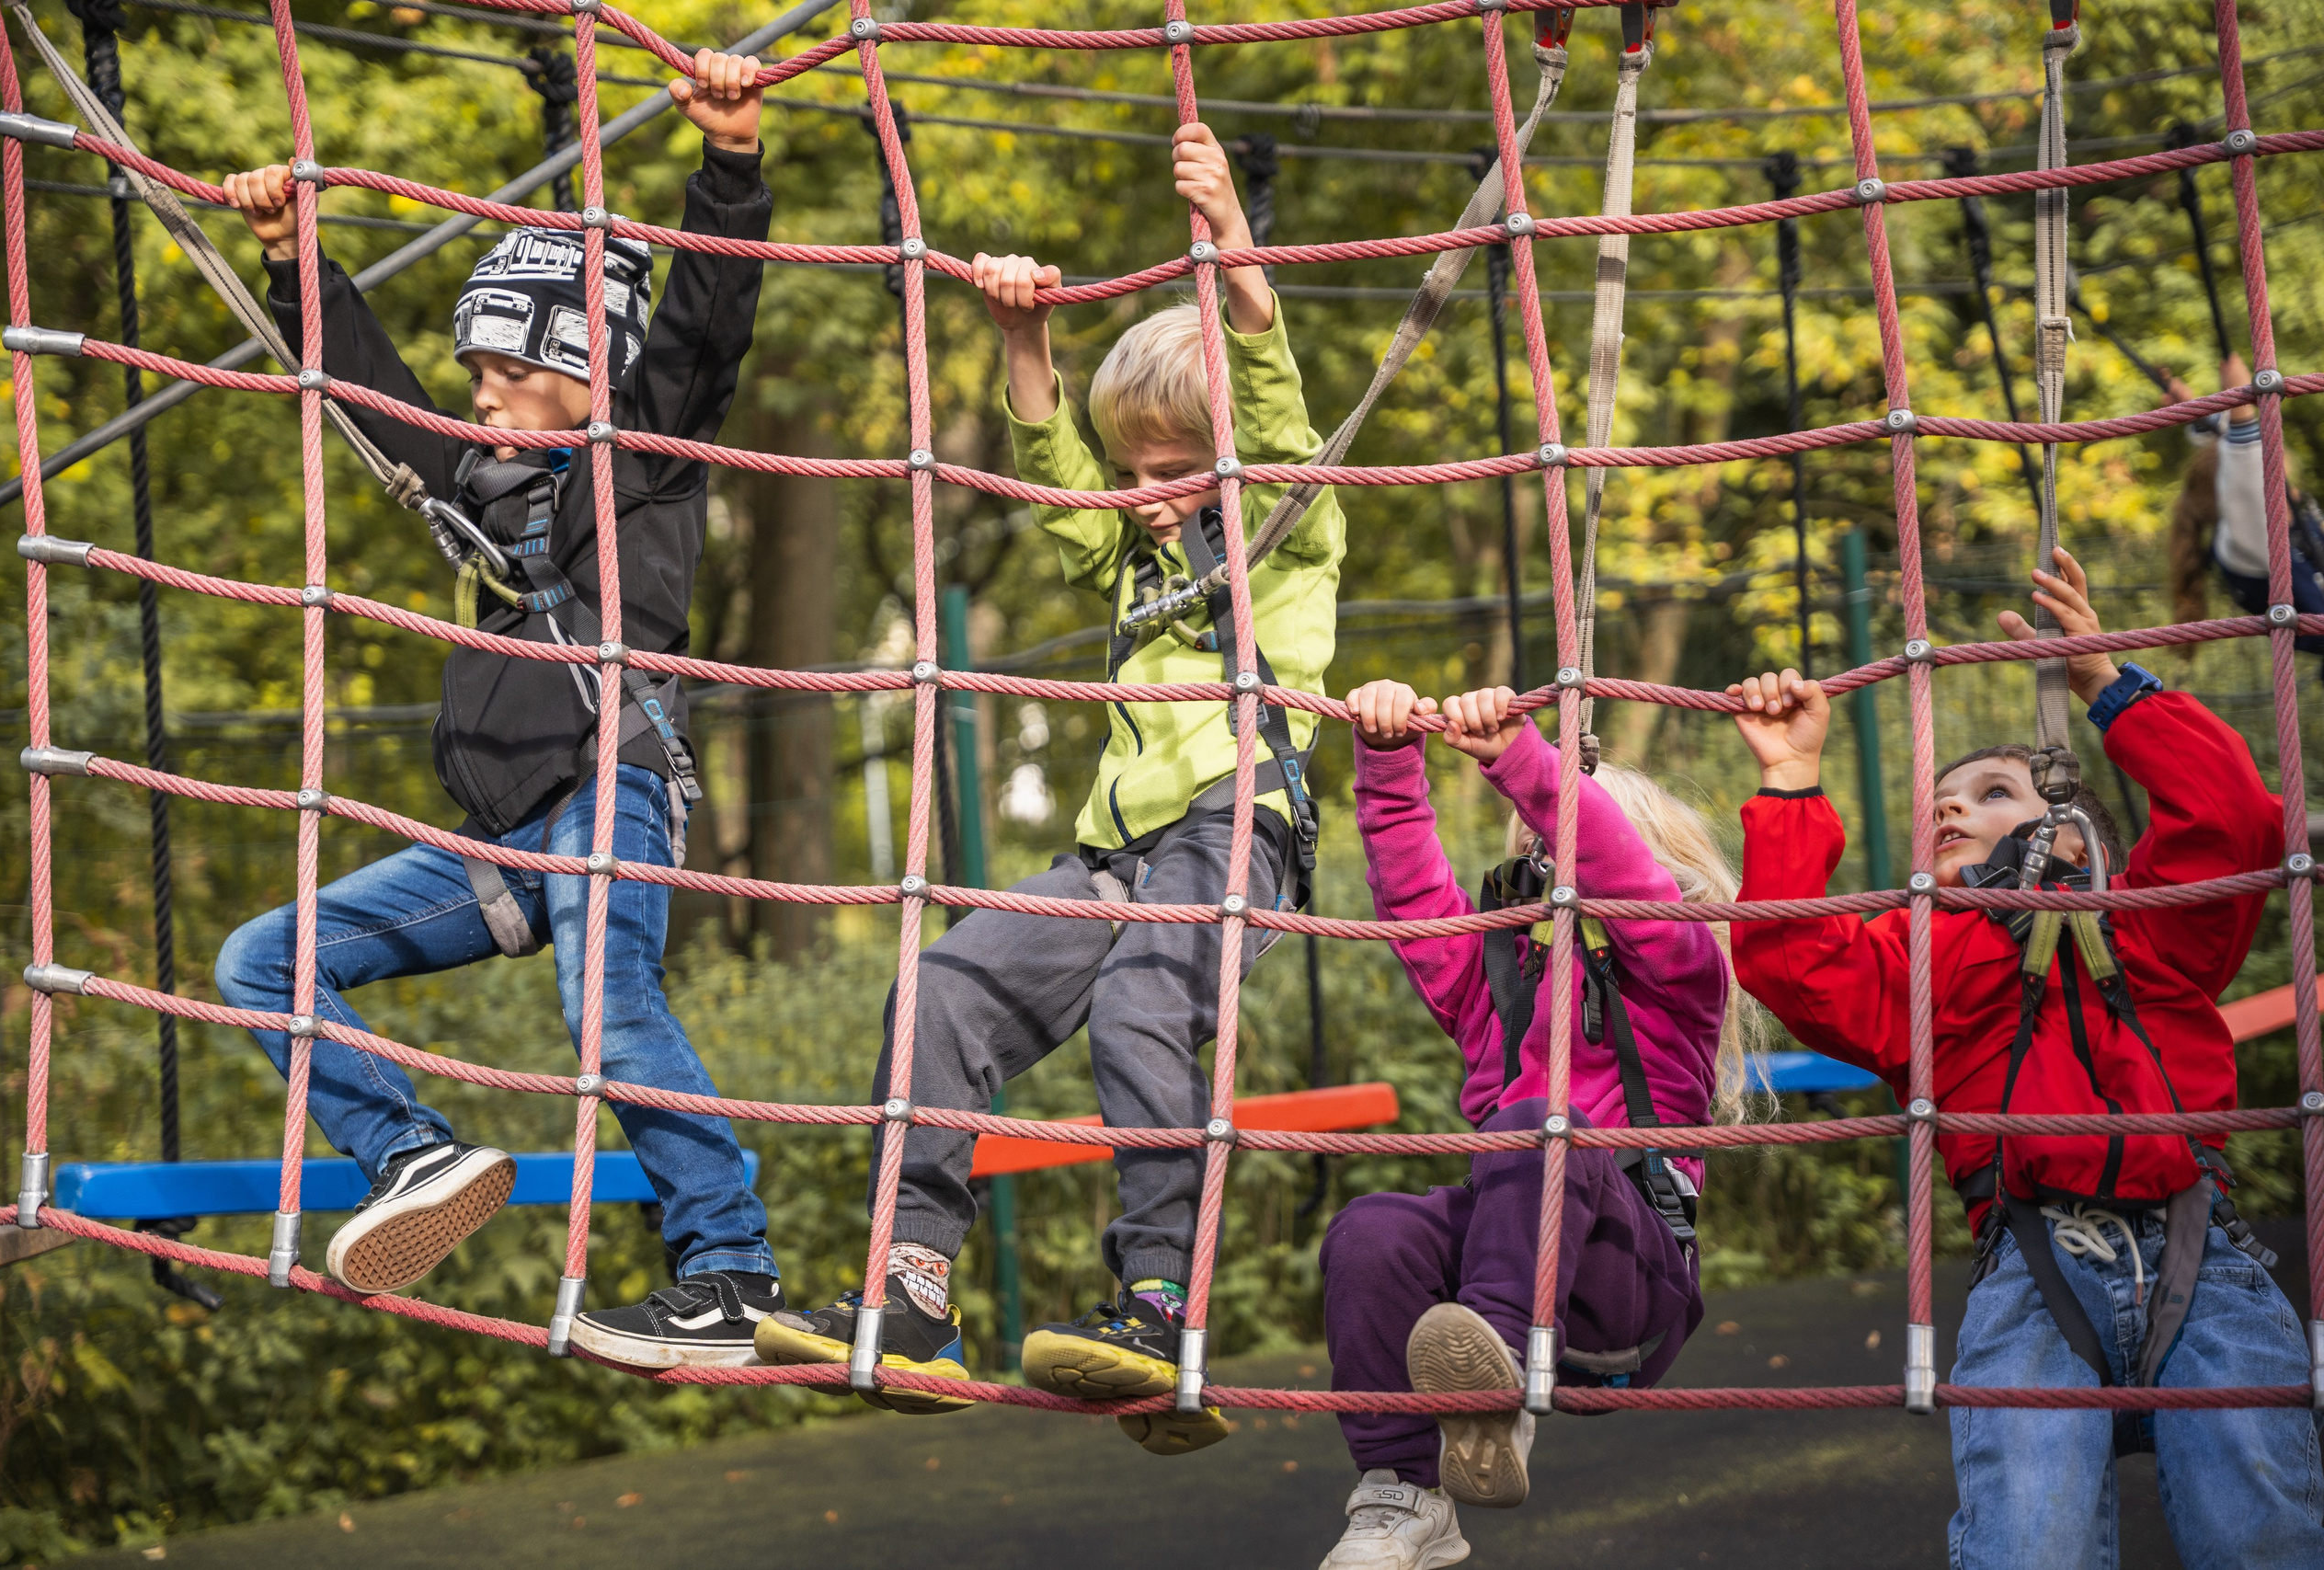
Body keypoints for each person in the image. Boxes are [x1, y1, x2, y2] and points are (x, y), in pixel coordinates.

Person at [757, 124, 1342, 1451]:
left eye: (1171, 469)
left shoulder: (1293, 524)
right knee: (944, 985)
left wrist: (1232, 240)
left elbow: (1272, 389)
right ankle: (914, 1292)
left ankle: (1157, 1301)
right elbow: (1057, 480)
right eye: (1133, 468)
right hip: (1112, 852)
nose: (1144, 495)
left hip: (1234, 828)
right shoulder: (1128, 561)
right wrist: (1024, 336)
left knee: (1145, 999)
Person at [212, 52, 782, 1369]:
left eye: (504, 368)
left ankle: (731, 1266)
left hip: (608, 788)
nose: (477, 391)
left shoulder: (639, 462)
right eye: (472, 368)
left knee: (607, 1005)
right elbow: (367, 392)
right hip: (502, 834)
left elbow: (704, 325)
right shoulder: (479, 485)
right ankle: (415, 1154)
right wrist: (297, 257)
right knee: (265, 958)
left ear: (585, 366)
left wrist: (731, 169)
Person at [1727, 547, 2324, 1568]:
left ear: (2075, 834)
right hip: (2033, 1267)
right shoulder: (1921, 956)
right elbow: (1789, 955)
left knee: (2259, 1521)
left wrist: (2106, 684)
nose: (1950, 808)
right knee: (2023, 1537)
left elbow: (2232, 820)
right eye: (1938, 806)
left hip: (2203, 1255)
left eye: (1991, 791)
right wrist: (1790, 780)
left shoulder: (2145, 928)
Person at [1309, 682, 1734, 1569]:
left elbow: (1621, 877)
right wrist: (1389, 760)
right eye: (1540, 852)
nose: (1558, 866)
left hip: (1625, 1280)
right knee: (1371, 1228)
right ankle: (1405, 1492)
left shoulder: (1682, 968)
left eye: (1569, 840)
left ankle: (1491, 1369)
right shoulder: (1501, 981)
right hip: (1507, 1252)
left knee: (1547, 1125)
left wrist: (1520, 757)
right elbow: (1418, 903)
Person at [2165, 352, 2324, 679]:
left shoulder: (2281, 524)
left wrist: (2202, 414)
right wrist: (2243, 399)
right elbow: (2245, 466)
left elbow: (2239, 465)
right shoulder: (2248, 545)